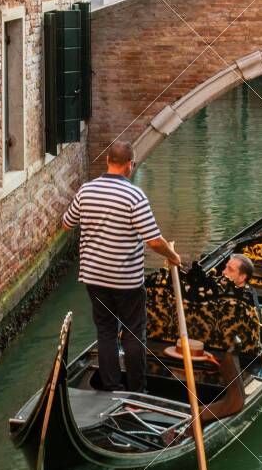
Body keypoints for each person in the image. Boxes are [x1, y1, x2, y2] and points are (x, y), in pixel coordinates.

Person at [62, 142, 181, 392]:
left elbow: (66, 223)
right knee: (133, 334)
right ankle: (137, 389)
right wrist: (173, 255)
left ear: (108, 160)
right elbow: (153, 240)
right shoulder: (134, 196)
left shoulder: (86, 191)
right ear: (130, 165)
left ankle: (110, 385)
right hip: (126, 280)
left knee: (105, 331)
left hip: (94, 277)